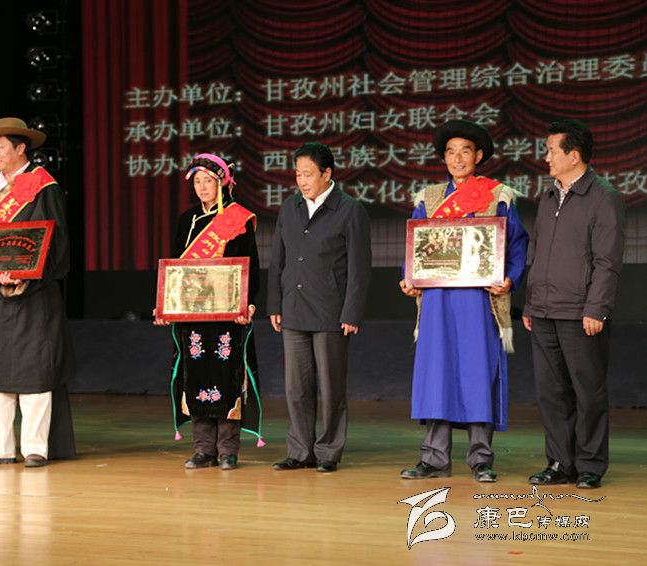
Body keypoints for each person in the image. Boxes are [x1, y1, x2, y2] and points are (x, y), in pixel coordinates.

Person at [398, 120, 528, 483]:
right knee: (436, 374)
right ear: (444, 158)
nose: (457, 159)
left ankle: (481, 458)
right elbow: (415, 246)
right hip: (437, 301)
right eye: (451, 152)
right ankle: (434, 457)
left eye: (465, 151)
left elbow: (516, 243)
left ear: (478, 155)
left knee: (476, 374)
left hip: (478, 301)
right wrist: (409, 277)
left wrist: (509, 278)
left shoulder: (496, 196)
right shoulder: (428, 199)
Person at [0, 117, 76, 468]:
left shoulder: (43, 186)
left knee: (35, 367)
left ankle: (35, 447)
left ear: (21, 147)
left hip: (34, 293)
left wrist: (28, 279)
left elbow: (56, 244)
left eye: (0, 147)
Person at [522, 119, 624, 489]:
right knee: (551, 393)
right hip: (544, 311)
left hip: (581, 313)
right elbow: (536, 254)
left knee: (588, 392)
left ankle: (590, 465)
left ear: (574, 155)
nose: (546, 157)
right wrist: (530, 304)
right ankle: (559, 462)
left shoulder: (603, 197)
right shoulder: (548, 197)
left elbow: (607, 261)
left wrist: (596, 308)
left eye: (552, 150)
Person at [267, 142, 371, 473]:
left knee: (330, 387)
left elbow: (359, 268)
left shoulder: (349, 210)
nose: (302, 181)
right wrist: (275, 303)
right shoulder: (290, 207)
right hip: (293, 308)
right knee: (296, 387)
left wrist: (351, 312)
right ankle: (300, 451)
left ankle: (327, 452)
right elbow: (277, 260)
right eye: (298, 174)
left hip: (331, 312)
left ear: (327, 174)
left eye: (308, 174)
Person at [154, 153, 262, 470]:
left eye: (208, 181)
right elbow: (175, 268)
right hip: (194, 314)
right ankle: (203, 449)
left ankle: (227, 449)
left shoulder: (238, 219)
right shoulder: (186, 220)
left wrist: (248, 303)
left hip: (227, 313)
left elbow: (251, 266)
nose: (202, 187)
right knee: (196, 375)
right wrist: (165, 303)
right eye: (198, 181)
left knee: (228, 377)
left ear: (222, 183)